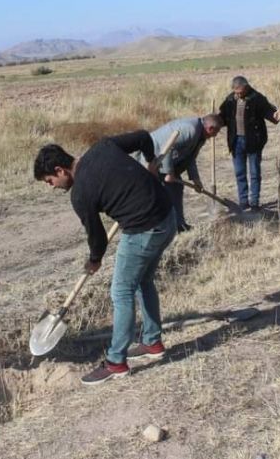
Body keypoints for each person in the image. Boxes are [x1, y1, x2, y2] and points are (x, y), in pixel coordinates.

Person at [33, 132, 176, 385]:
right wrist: (151, 163)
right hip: (167, 217)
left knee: (121, 291)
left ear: (60, 170)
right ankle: (153, 343)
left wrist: (94, 259)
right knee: (143, 281)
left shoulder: (80, 194)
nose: (51, 186)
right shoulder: (102, 147)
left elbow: (96, 235)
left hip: (144, 229)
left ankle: (116, 361)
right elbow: (144, 136)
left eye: (49, 180)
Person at [138, 114, 224, 232]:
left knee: (176, 187)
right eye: (217, 132)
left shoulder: (201, 135)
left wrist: (196, 179)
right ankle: (153, 227)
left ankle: (179, 225)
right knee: (155, 194)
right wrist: (169, 173)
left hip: (165, 159)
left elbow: (190, 158)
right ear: (210, 129)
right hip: (153, 157)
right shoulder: (191, 130)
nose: (216, 135)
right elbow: (168, 146)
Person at [218, 76, 280, 212]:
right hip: (236, 142)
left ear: (246, 87)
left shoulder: (257, 98)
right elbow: (222, 117)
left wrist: (276, 115)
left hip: (254, 141)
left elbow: (269, 112)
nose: (238, 94)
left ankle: (254, 202)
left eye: (240, 92)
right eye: (236, 92)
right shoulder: (230, 100)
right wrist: (215, 120)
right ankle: (243, 202)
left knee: (254, 173)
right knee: (239, 173)